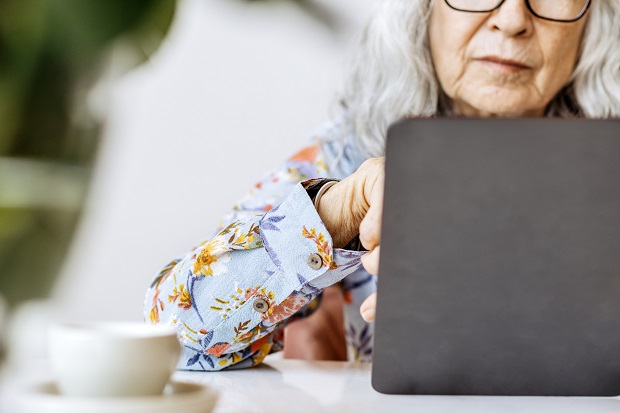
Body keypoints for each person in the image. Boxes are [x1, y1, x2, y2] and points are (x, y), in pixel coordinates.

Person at [144, 0, 620, 370]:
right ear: (421, 11)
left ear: (594, 21)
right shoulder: (347, 154)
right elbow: (169, 337)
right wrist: (338, 212)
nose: (513, 19)